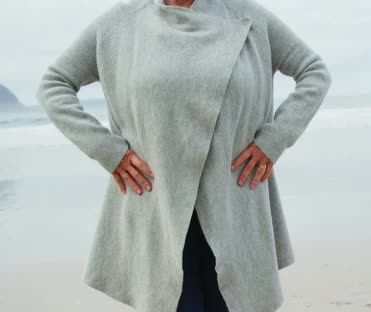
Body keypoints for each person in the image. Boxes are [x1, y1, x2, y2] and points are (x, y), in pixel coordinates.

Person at [35, 0, 332, 311]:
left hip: (234, 208)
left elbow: (314, 72)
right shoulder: (119, 25)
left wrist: (275, 138)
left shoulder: (250, 18)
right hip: (158, 212)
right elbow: (54, 85)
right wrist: (108, 151)